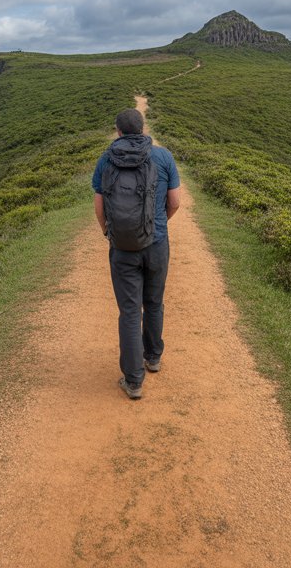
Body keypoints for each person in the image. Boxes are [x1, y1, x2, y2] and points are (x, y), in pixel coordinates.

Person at [93, 107, 181, 400]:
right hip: (156, 244)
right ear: (143, 128)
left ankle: (133, 382)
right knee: (153, 302)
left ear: (118, 131)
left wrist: (110, 232)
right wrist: (157, 225)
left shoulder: (107, 159)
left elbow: (99, 205)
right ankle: (153, 357)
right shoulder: (163, 157)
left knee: (130, 312)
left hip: (122, 248)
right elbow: (175, 202)